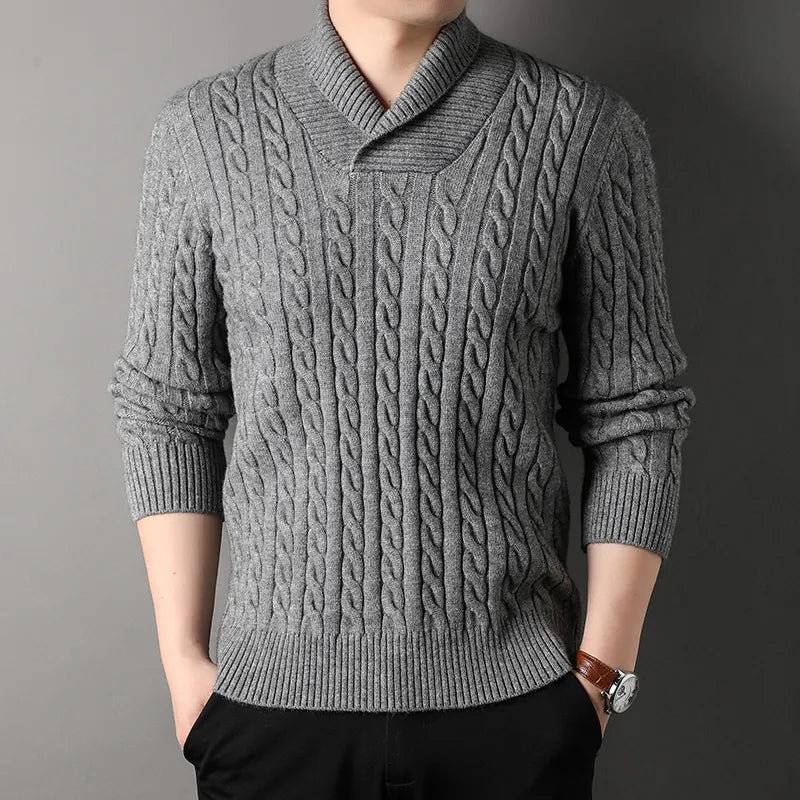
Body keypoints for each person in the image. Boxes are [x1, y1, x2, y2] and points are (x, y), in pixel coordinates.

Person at [107, 0, 696, 797]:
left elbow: (637, 413)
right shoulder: (205, 130)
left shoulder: (583, 129)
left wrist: (599, 675)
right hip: (271, 709)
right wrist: (185, 664)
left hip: (514, 710)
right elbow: (168, 407)